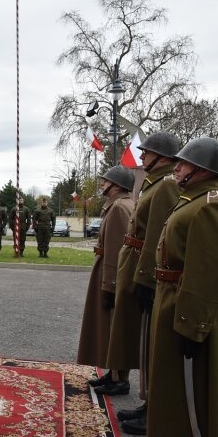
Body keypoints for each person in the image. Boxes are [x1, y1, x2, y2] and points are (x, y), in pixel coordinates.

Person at [147, 137, 218, 437]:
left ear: (202, 169)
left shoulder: (211, 205)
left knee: (205, 386)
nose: (177, 167)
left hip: (201, 309)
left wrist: (192, 324)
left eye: (184, 164)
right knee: (188, 384)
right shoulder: (195, 199)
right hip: (182, 299)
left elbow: (210, 271)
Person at [106, 131, 180, 436]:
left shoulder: (164, 186)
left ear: (161, 157)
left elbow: (155, 239)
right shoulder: (155, 183)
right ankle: (148, 403)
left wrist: (147, 279)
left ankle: (154, 408)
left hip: (147, 268)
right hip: (136, 261)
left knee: (152, 342)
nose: (142, 157)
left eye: (147, 153)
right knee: (145, 341)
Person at [76, 166, 135, 395]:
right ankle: (114, 374)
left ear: (117, 185)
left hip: (111, 275)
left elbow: (115, 250)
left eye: (106, 181)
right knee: (112, 328)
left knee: (112, 327)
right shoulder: (121, 205)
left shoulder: (119, 208)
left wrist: (109, 284)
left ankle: (119, 379)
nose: (102, 184)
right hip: (111, 273)